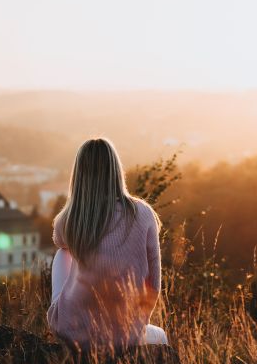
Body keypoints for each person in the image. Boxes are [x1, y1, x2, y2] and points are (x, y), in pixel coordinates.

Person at [47, 137, 168, 351]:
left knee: (63, 252)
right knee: (160, 336)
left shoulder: (71, 217)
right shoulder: (143, 213)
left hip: (74, 332)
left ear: (79, 175)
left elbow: (59, 240)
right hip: (127, 332)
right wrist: (138, 323)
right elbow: (154, 283)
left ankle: (61, 314)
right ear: (116, 170)